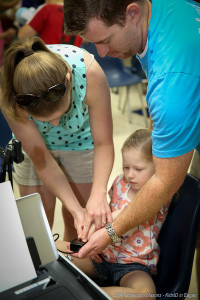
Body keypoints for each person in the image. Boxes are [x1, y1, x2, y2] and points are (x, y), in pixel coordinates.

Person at [63, 0, 200, 258]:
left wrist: (112, 232)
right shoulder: (159, 9)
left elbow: (166, 181)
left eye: (106, 39)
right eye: (94, 43)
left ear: (132, 13)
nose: (101, 53)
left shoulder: (172, 86)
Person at [0, 36, 114, 241]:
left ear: (69, 79)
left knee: (81, 224)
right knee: (38, 224)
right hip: (35, 152)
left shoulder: (89, 72)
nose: (54, 125)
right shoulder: (9, 94)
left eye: (59, 115)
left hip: (82, 143)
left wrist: (98, 193)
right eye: (43, 120)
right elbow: (42, 160)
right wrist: (75, 208)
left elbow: (104, 143)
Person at [56, 129, 171, 300]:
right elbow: (105, 216)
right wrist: (90, 237)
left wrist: (103, 230)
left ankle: (85, 293)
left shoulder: (159, 195)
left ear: (157, 168)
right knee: (51, 247)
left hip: (133, 265)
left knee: (146, 295)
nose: (130, 174)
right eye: (126, 167)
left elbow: (123, 215)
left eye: (138, 169)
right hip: (102, 257)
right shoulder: (119, 183)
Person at [18, 0, 83, 47]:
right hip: (73, 60)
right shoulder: (79, 13)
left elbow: (22, 35)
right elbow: (85, 40)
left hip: (50, 60)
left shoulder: (46, 9)